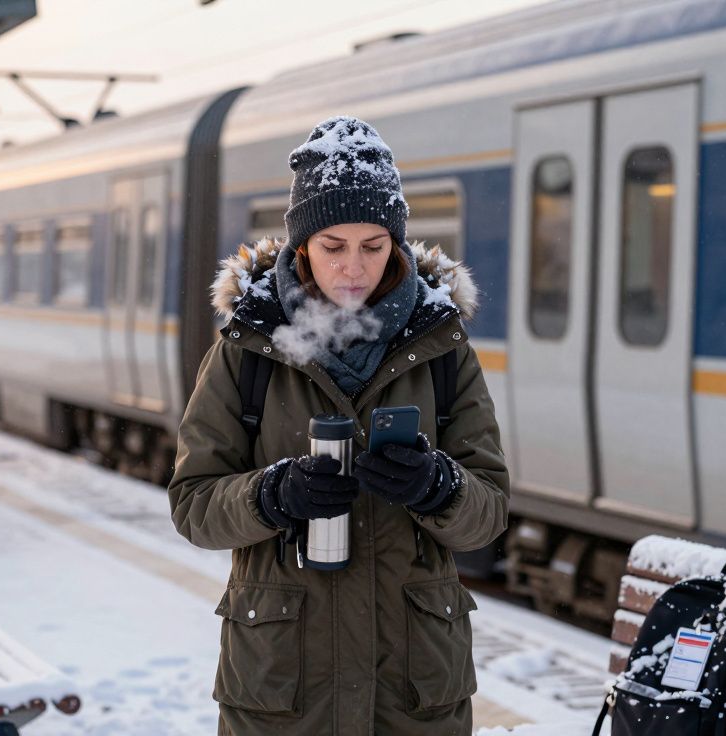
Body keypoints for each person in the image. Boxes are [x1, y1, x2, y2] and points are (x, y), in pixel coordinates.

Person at [169, 117, 509, 735]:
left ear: (397, 244)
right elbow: (193, 505)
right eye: (333, 247)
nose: (354, 268)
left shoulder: (441, 346)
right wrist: (270, 495)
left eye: (374, 246)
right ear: (303, 244)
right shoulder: (248, 345)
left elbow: (488, 512)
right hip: (283, 692)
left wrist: (439, 486)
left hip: (411, 695)